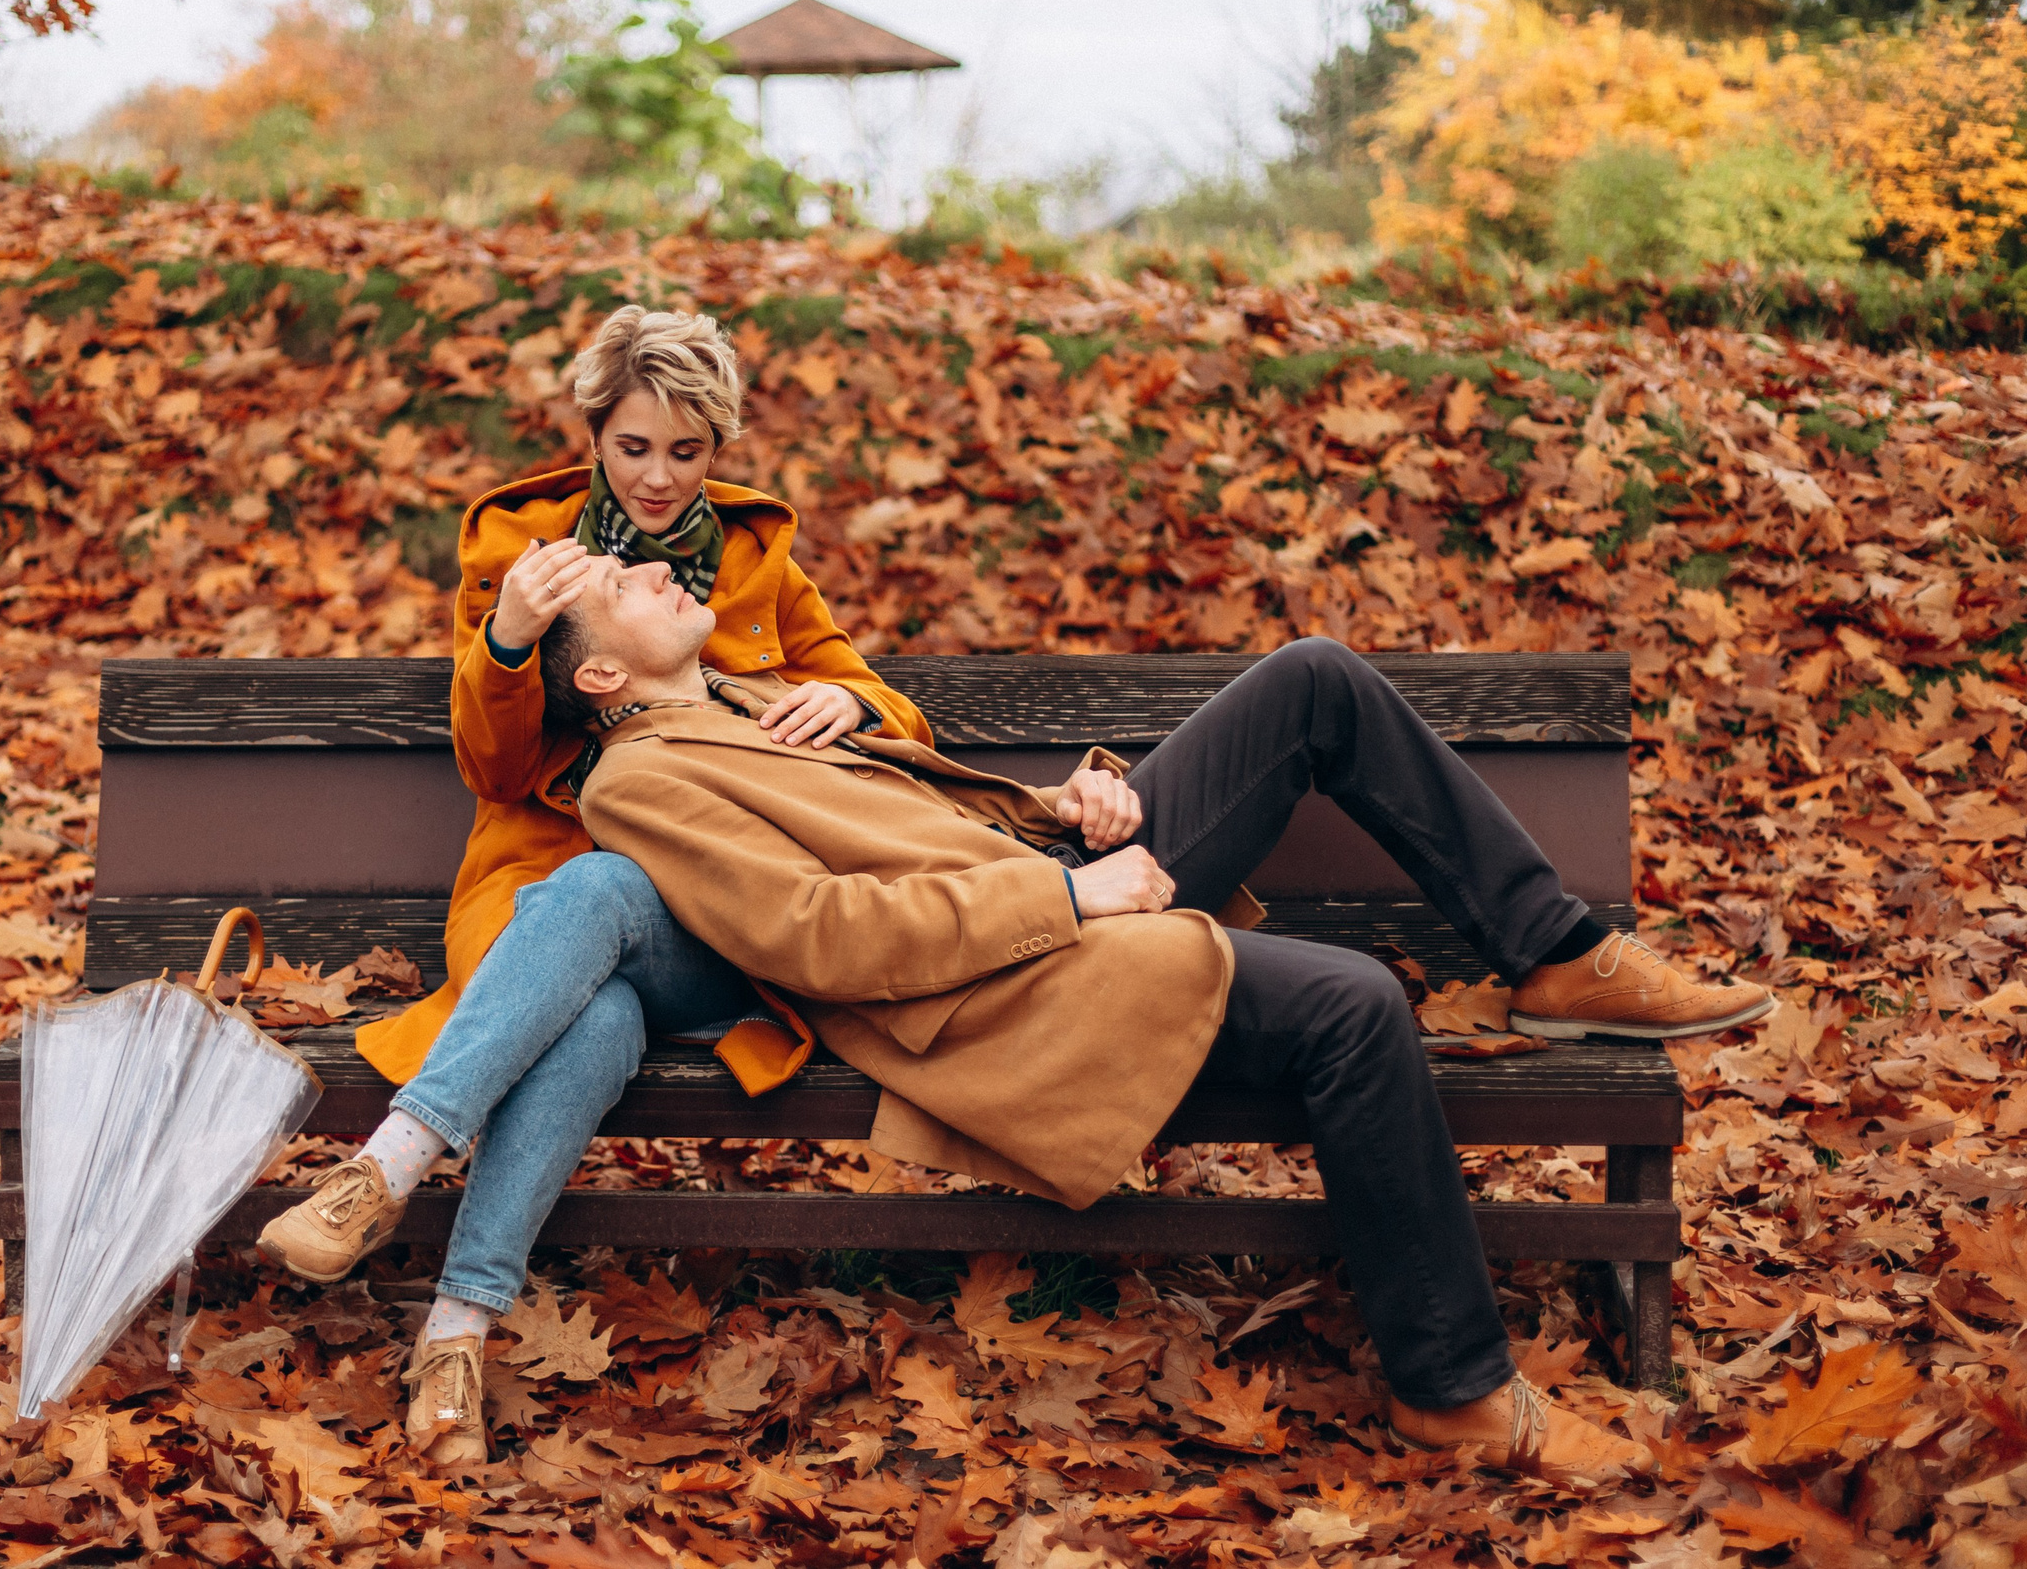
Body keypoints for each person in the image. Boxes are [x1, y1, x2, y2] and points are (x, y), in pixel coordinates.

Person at [544, 556, 1772, 1477]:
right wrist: (1068, 894)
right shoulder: (641, 779)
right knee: (1353, 1006)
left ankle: (1555, 954)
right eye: (627, 582)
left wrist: (1060, 812)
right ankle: (1449, 1384)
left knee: (1316, 679)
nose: (662, 568)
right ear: (600, 672)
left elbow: (921, 839)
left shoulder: (758, 706)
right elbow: (819, 936)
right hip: (1003, 989)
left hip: (1049, 889)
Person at [254, 306, 928, 1465]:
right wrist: (509, 643)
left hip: (725, 909)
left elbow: (894, 715)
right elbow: (496, 768)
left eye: (687, 450)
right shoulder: (527, 556)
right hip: (546, 892)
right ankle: (458, 1331)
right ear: (594, 436)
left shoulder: (756, 567)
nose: (659, 477)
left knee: (611, 901)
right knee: (596, 1003)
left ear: (717, 447)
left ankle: (389, 1166)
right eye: (633, 447)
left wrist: (855, 704)